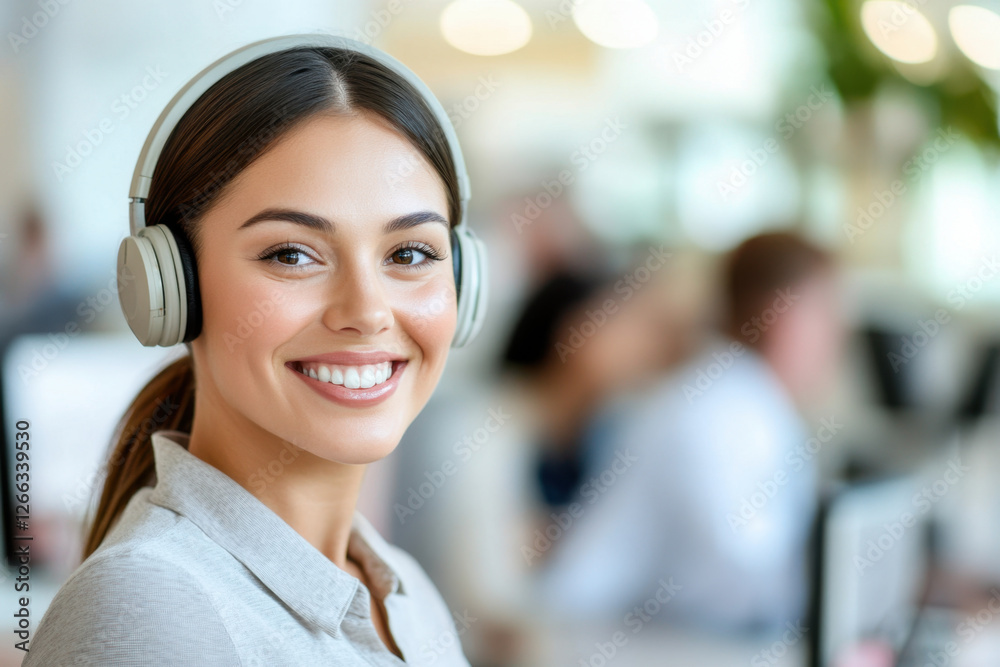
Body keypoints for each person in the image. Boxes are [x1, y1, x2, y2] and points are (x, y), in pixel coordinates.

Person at [23, 34, 487, 666]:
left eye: (410, 254)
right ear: (171, 287)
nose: (368, 311)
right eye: (291, 254)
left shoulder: (403, 592)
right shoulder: (156, 606)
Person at [538, 231, 845, 638]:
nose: (837, 339)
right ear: (783, 317)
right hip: (592, 636)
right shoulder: (714, 413)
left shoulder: (750, 402)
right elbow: (743, 584)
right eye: (827, 315)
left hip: (648, 633)